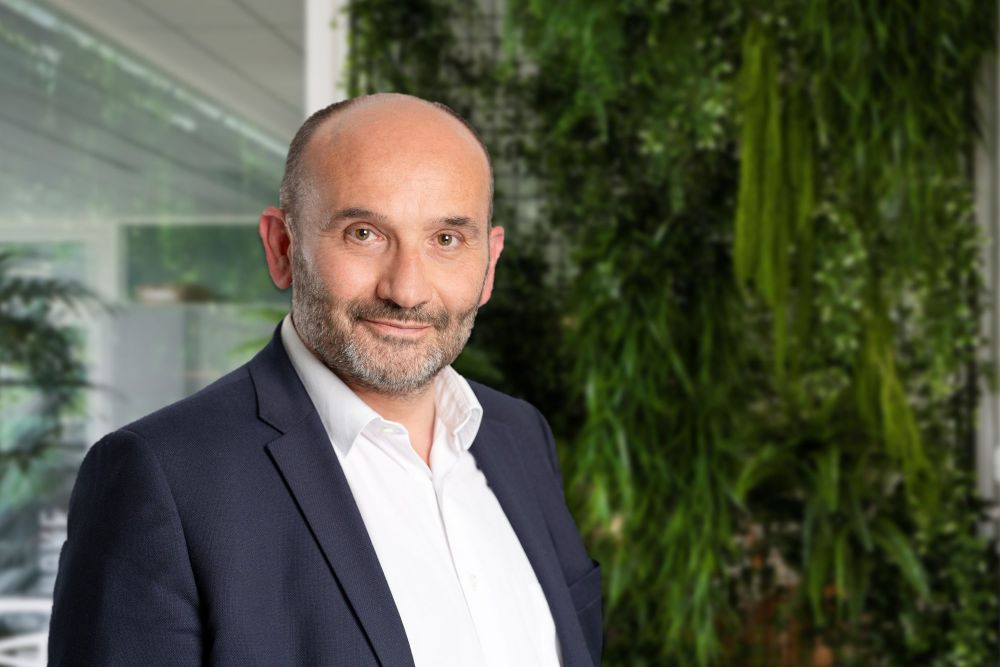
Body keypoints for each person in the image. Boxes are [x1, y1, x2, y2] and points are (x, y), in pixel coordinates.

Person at [48, 93, 602, 666]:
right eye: (364, 233)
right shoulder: (162, 478)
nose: (407, 290)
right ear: (282, 247)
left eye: (446, 240)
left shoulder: (520, 435)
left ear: (489, 263)